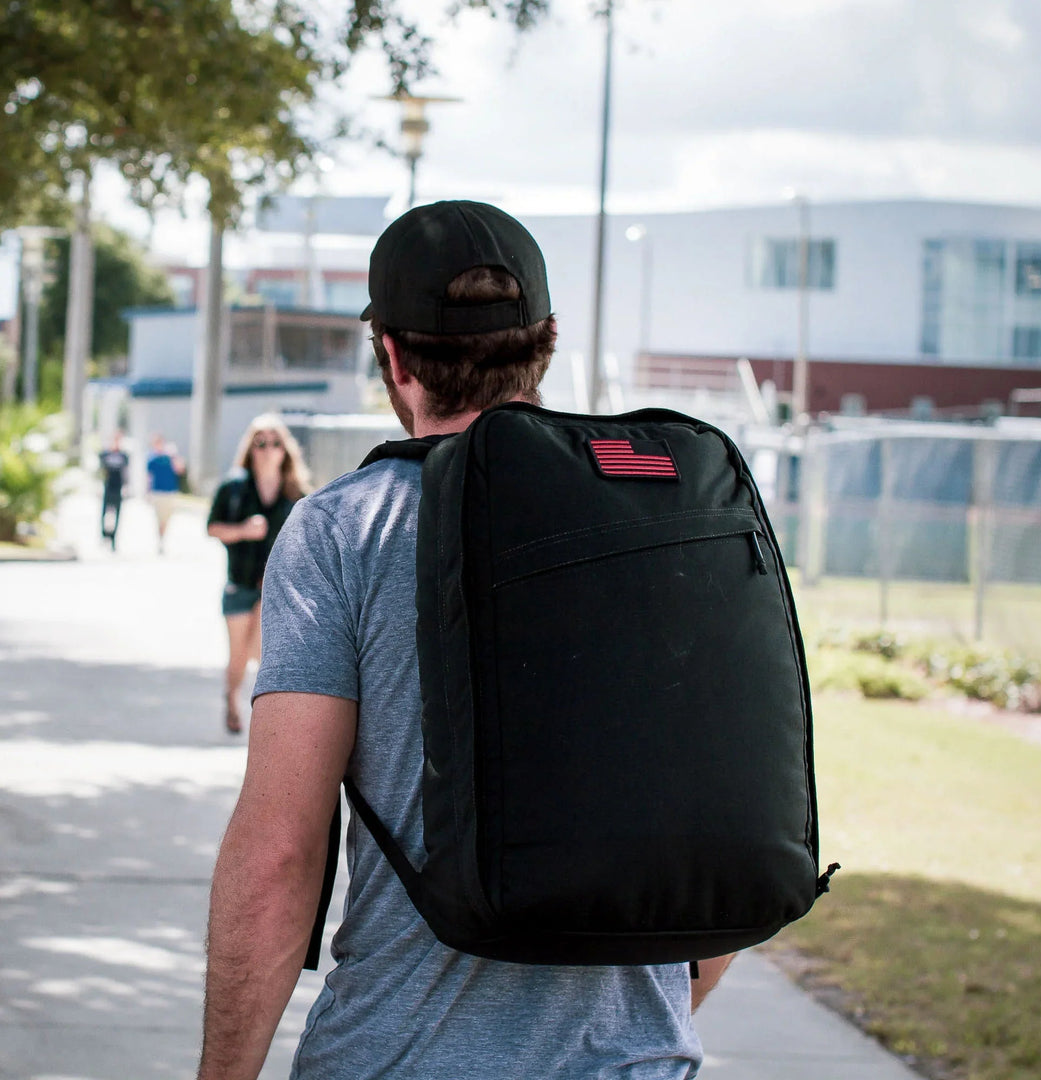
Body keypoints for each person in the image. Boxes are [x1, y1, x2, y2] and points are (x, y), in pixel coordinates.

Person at [197, 201, 733, 1080]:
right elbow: (730, 827)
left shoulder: (344, 530)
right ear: (548, 341)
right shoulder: (668, 512)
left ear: (393, 358)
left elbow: (281, 852)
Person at [206, 414, 311, 735]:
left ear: (285, 450)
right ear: (250, 448)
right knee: (238, 653)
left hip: (277, 590)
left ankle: (263, 716)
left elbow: (309, 543)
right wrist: (242, 531)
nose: (267, 449)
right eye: (260, 442)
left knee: (262, 653)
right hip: (239, 584)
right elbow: (212, 528)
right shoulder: (233, 487)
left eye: (275, 442)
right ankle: (231, 697)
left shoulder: (298, 494)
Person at [145, 434, 184, 554]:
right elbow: (148, 477)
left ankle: (163, 536)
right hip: (157, 492)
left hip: (170, 491)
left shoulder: (169, 457)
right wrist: (147, 492)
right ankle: (160, 540)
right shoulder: (152, 458)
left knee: (166, 518)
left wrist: (174, 455)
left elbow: (180, 469)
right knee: (158, 518)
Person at [98, 430, 129, 551]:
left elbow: (126, 472)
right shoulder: (105, 454)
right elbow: (100, 471)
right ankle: (104, 534)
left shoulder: (123, 456)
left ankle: (113, 538)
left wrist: (126, 487)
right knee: (105, 513)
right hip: (107, 486)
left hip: (118, 487)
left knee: (117, 513)